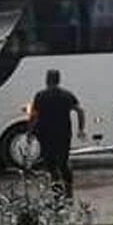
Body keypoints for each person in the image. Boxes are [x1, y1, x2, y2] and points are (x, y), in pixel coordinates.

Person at [27, 69, 86, 199]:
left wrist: (29, 132)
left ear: (47, 80)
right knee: (64, 162)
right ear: (59, 80)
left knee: (51, 164)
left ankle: (57, 193)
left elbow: (34, 116)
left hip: (46, 135)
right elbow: (80, 111)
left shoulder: (40, 96)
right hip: (64, 134)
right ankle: (69, 191)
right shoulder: (67, 95)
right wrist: (81, 129)